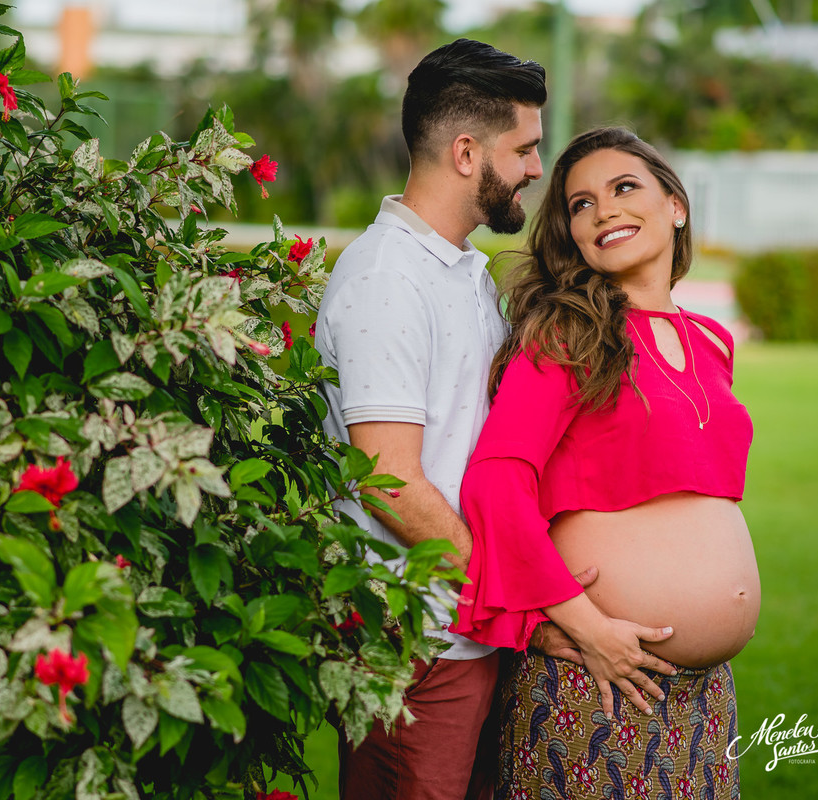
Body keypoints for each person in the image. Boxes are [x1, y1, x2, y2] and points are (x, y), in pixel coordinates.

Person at [450, 127, 760, 800]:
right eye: (581, 204)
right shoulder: (568, 334)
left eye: (624, 188)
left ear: (676, 205)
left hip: (705, 696)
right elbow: (497, 482)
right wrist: (585, 626)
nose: (604, 211)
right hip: (597, 677)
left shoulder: (711, 342)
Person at [313, 38, 548, 800]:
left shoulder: (458, 268)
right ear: (466, 152)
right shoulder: (388, 279)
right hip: (417, 648)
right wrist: (514, 589)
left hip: (466, 636)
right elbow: (388, 481)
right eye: (525, 149)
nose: (536, 168)